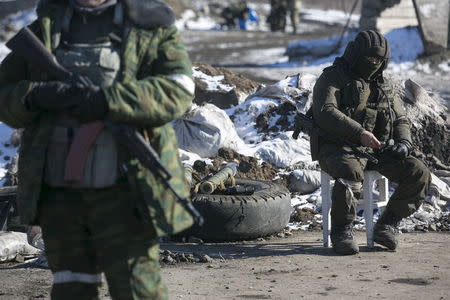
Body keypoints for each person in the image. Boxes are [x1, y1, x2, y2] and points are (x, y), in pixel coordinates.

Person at [0, 0, 196, 298]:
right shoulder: (46, 29)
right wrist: (35, 94)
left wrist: (109, 100)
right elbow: (2, 93)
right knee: (71, 287)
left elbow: (178, 89)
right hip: (60, 191)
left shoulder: (149, 27)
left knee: (137, 288)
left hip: (127, 190)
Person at [311, 30, 431, 255]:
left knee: (418, 172)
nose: (374, 64)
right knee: (350, 172)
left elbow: (400, 118)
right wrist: (359, 133)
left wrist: (404, 142)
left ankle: (387, 225)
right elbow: (325, 111)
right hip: (337, 147)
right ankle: (342, 230)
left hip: (375, 150)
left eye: (379, 60)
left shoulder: (383, 85)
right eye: (370, 59)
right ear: (356, 55)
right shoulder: (332, 77)